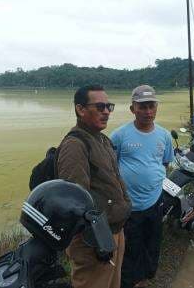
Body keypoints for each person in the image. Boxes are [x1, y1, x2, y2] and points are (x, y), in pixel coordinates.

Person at [56, 85, 132, 288]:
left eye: (108, 106)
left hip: (114, 230)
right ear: (81, 109)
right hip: (93, 240)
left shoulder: (103, 140)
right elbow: (75, 199)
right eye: (100, 106)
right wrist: (100, 240)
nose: (106, 111)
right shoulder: (75, 145)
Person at [110, 85, 174, 288]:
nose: (147, 111)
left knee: (152, 241)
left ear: (156, 108)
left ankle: (146, 277)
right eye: (142, 107)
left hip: (154, 200)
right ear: (132, 109)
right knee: (130, 245)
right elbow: (111, 167)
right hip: (128, 205)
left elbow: (164, 163)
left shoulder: (164, 136)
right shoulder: (119, 136)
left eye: (151, 106)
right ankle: (130, 280)